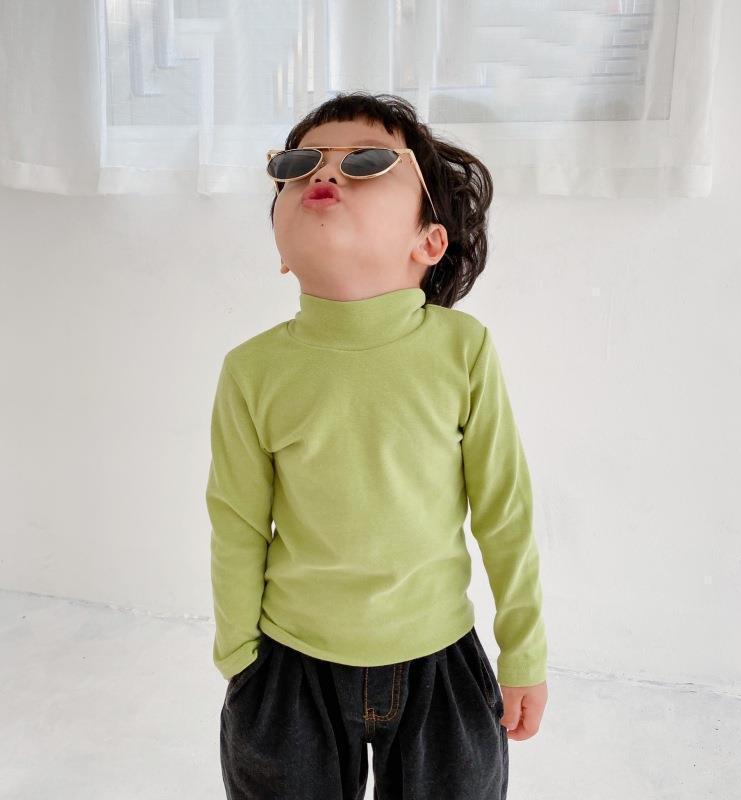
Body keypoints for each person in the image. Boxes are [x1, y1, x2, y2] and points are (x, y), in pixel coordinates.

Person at [205, 91, 548, 800]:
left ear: (429, 242)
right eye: (298, 165)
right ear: (281, 251)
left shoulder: (462, 350)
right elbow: (237, 520)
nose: (325, 172)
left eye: (367, 162)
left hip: (441, 660)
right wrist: (240, 655)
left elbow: (504, 510)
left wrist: (524, 653)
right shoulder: (252, 370)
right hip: (288, 668)